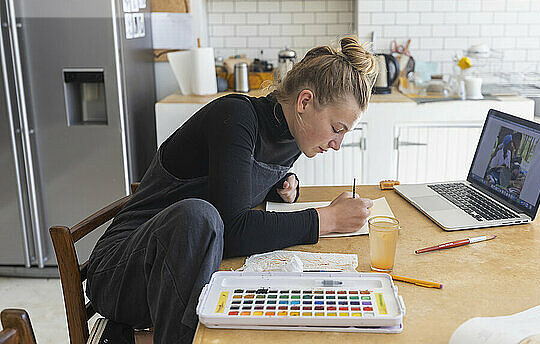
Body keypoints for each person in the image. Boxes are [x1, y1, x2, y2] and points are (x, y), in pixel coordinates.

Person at [85, 36, 377, 344]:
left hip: (181, 273)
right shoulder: (235, 117)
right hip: (123, 274)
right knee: (199, 216)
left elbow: (232, 189)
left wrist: (277, 186)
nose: (336, 144)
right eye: (336, 128)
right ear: (304, 102)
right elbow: (234, 229)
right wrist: (328, 218)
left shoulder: (294, 134)